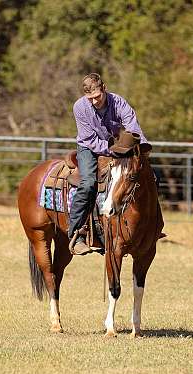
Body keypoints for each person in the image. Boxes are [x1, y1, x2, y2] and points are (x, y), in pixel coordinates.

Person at [68, 73, 149, 255]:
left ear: (104, 88)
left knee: (149, 175)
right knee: (88, 183)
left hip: (115, 145)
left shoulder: (118, 102)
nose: (95, 101)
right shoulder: (80, 107)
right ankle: (75, 234)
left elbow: (133, 127)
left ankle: (149, 227)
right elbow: (89, 139)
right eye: (90, 99)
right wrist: (114, 150)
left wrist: (140, 148)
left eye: (97, 96)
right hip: (88, 147)